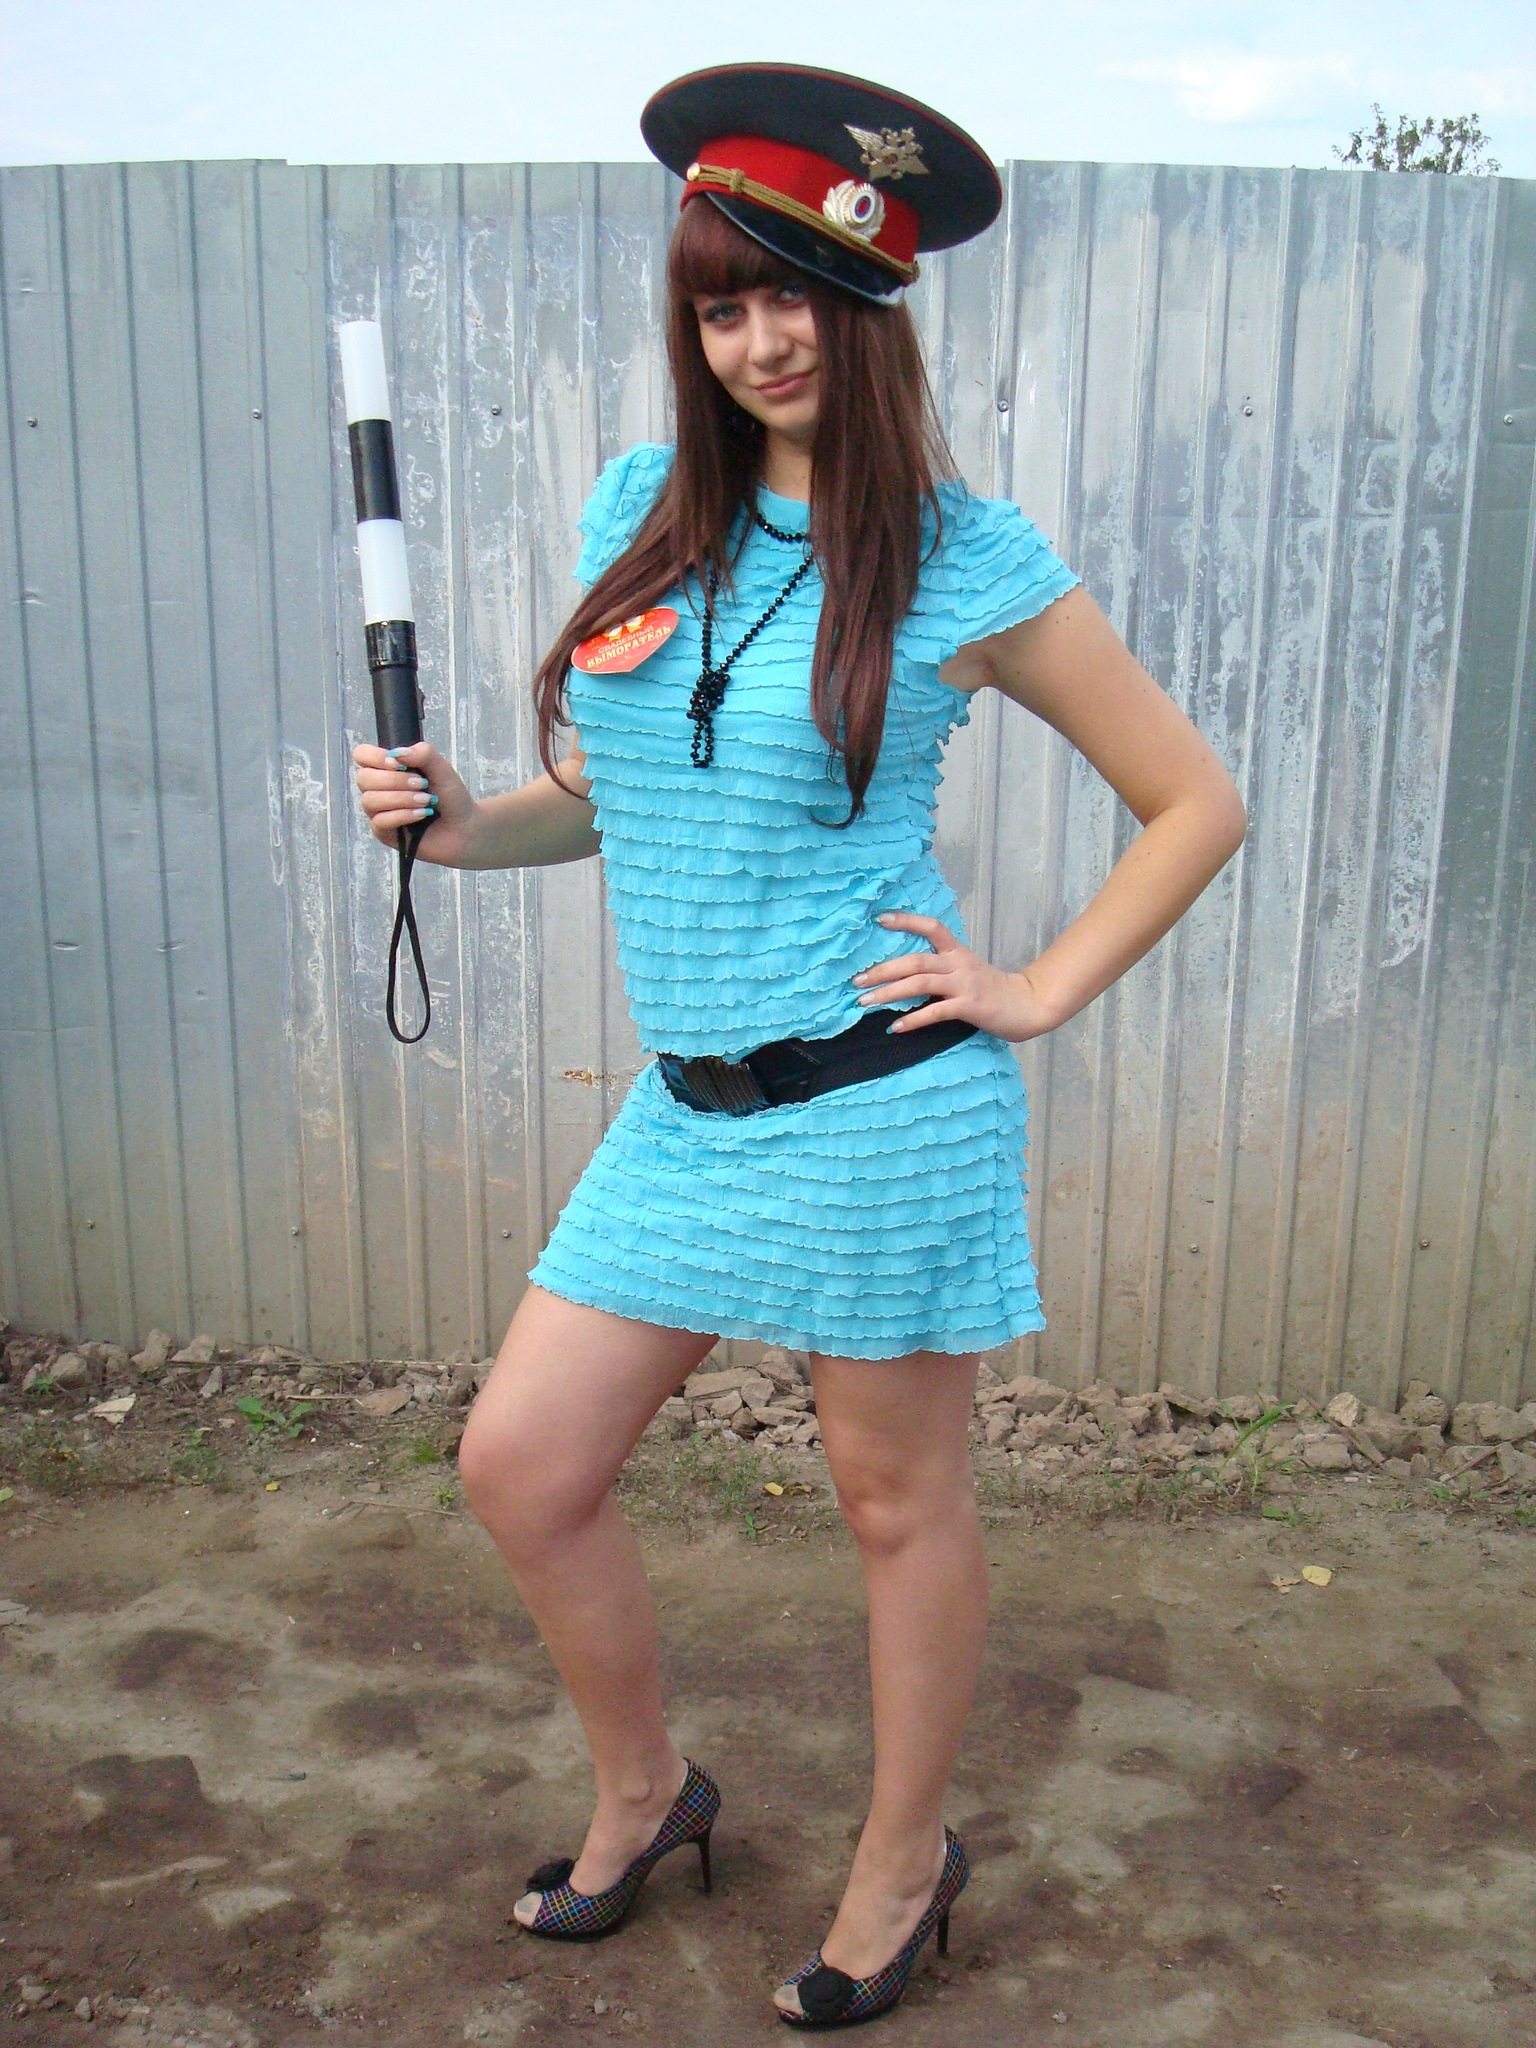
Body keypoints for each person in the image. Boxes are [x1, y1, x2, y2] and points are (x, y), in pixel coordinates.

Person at [351, 63, 1245, 2030]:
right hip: (686, 1119)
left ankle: (903, 1865)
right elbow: (617, 799)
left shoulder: (964, 557)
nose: (763, 339)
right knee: (522, 1466)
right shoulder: (640, 515)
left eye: (802, 300)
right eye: (725, 302)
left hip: (877, 1105)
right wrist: (463, 826)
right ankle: (647, 1792)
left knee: (893, 1505)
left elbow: (1196, 803)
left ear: (874, 310)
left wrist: (1035, 986)